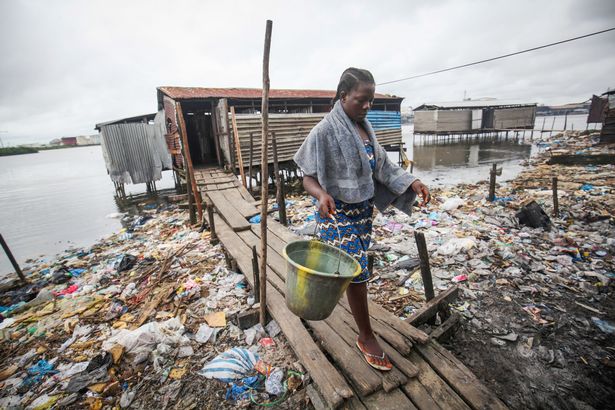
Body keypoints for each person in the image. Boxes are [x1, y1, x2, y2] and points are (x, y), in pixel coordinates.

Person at [293, 67, 430, 371]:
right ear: (343, 96)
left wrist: (412, 182)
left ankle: (335, 300)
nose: (367, 106)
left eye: (370, 100)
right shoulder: (325, 131)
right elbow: (308, 178)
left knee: (348, 270)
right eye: (361, 99)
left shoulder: (365, 128)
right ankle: (366, 336)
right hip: (335, 212)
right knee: (356, 272)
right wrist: (321, 195)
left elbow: (383, 166)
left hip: (362, 211)